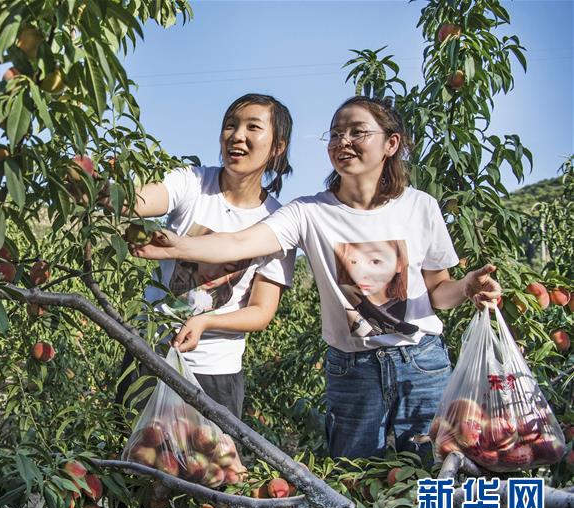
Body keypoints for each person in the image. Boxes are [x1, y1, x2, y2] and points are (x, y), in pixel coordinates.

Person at [137, 96, 502, 461]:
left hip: (420, 363)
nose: (343, 142)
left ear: (391, 143)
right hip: (353, 369)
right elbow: (240, 242)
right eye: (336, 134)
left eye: (357, 132)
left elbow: (438, 292)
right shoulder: (308, 213)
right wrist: (178, 246)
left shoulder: (420, 206)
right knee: (355, 477)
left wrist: (466, 287)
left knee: (433, 468)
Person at [105, 93, 297, 508]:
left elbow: (261, 310)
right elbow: (143, 199)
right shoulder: (194, 183)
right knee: (135, 481)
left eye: (253, 127)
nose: (237, 135)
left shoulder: (278, 223)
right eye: (231, 124)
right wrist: (103, 187)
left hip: (216, 373)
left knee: (219, 495)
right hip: (152, 360)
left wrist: (208, 320)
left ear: (277, 146)